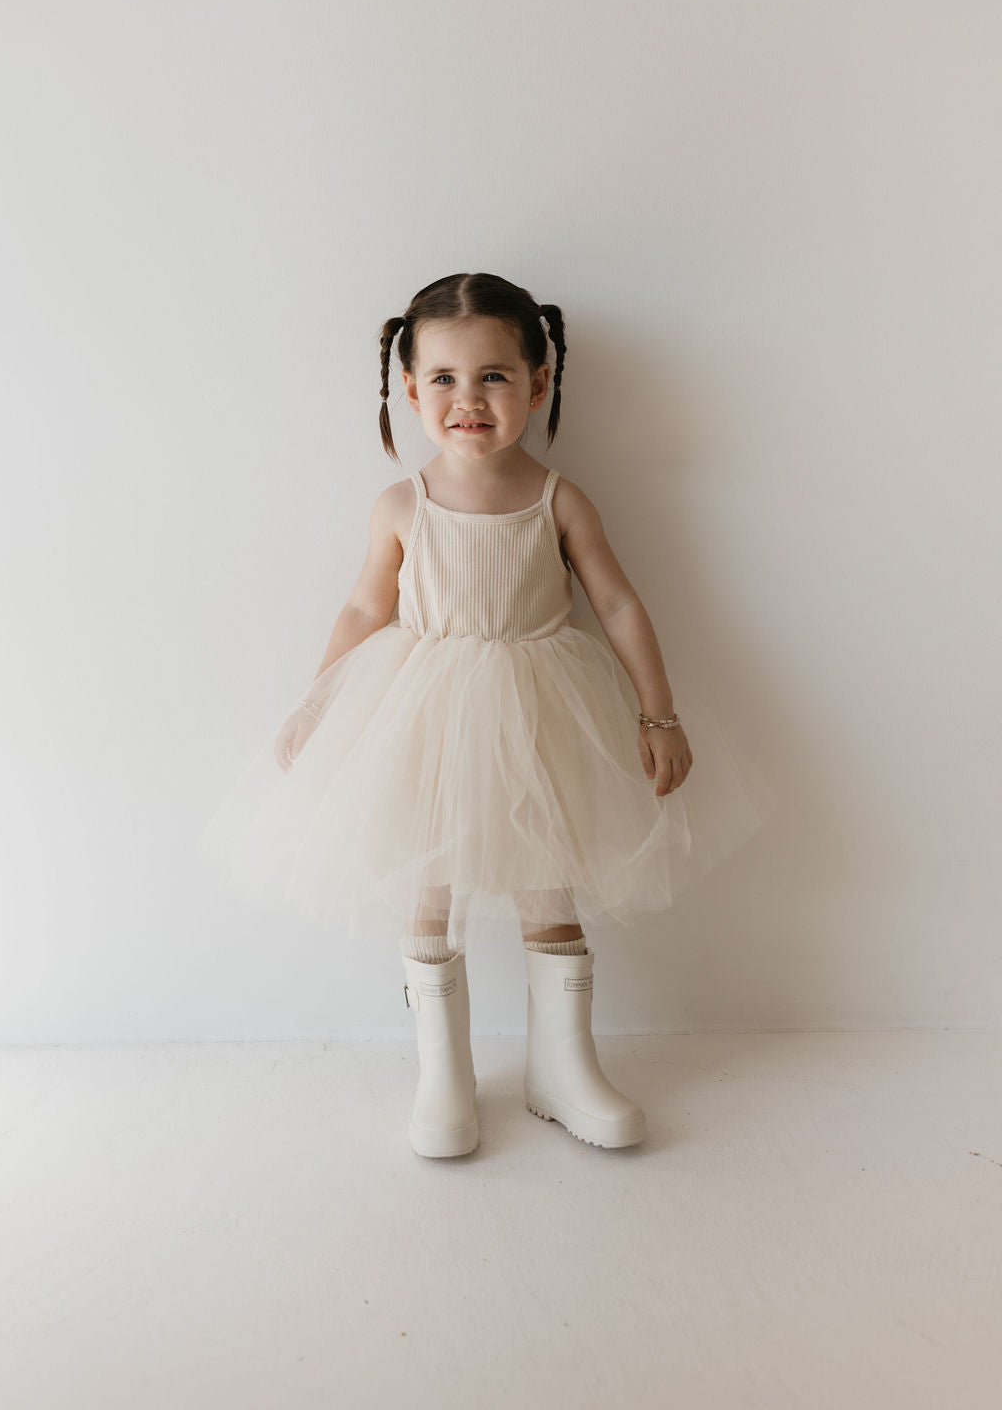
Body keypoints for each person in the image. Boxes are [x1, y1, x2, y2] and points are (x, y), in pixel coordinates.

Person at [196, 271, 778, 1159]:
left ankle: (562, 1065)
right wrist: (320, 706)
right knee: (427, 893)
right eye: (444, 380)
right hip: (421, 717)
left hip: (543, 711)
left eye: (495, 377)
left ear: (538, 385)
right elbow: (362, 611)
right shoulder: (403, 505)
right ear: (409, 389)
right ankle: (444, 1075)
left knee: (551, 883)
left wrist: (658, 715)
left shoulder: (559, 499)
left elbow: (619, 605)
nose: (468, 399)